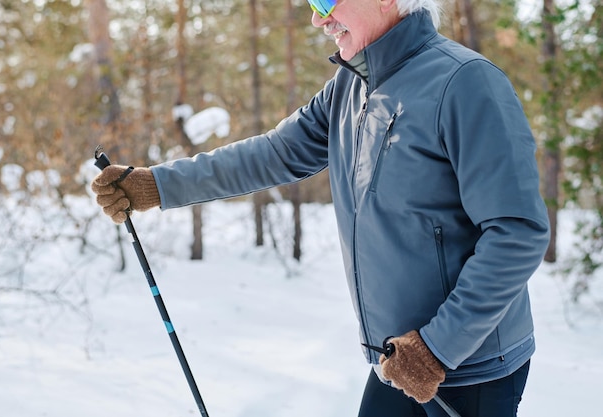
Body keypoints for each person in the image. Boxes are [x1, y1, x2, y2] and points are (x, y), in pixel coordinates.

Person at [92, 0, 550, 416]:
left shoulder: (465, 82)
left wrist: (438, 347)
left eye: (328, 1)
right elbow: (274, 153)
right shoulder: (352, 86)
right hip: (397, 362)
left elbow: (517, 232)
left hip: (468, 369)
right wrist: (158, 185)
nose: (318, 18)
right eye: (313, 2)